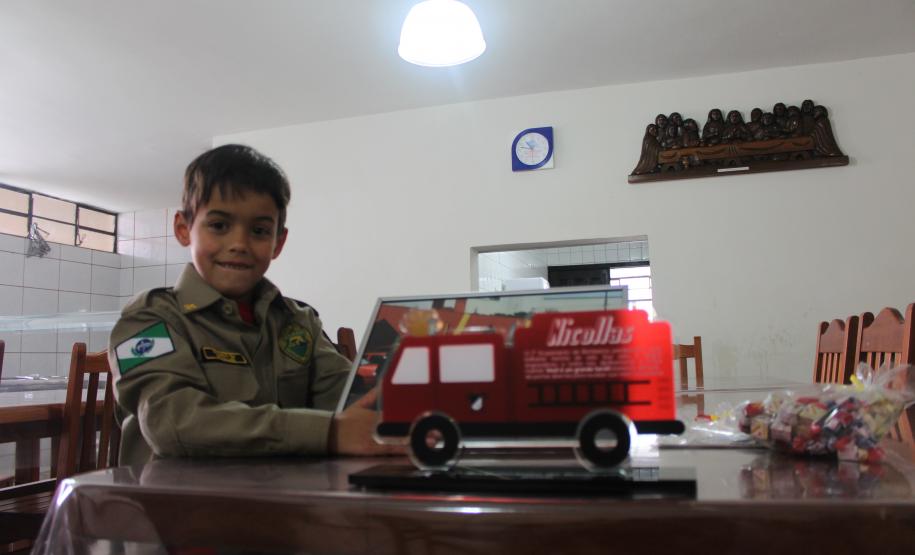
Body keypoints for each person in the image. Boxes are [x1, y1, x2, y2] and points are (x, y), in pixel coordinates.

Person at [109, 144, 399, 466]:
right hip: (173, 497)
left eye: (259, 231)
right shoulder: (149, 319)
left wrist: (409, 402)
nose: (239, 244)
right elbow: (172, 422)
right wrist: (329, 432)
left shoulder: (298, 322)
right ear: (183, 229)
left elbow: (351, 399)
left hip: (285, 493)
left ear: (278, 242)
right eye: (219, 225)